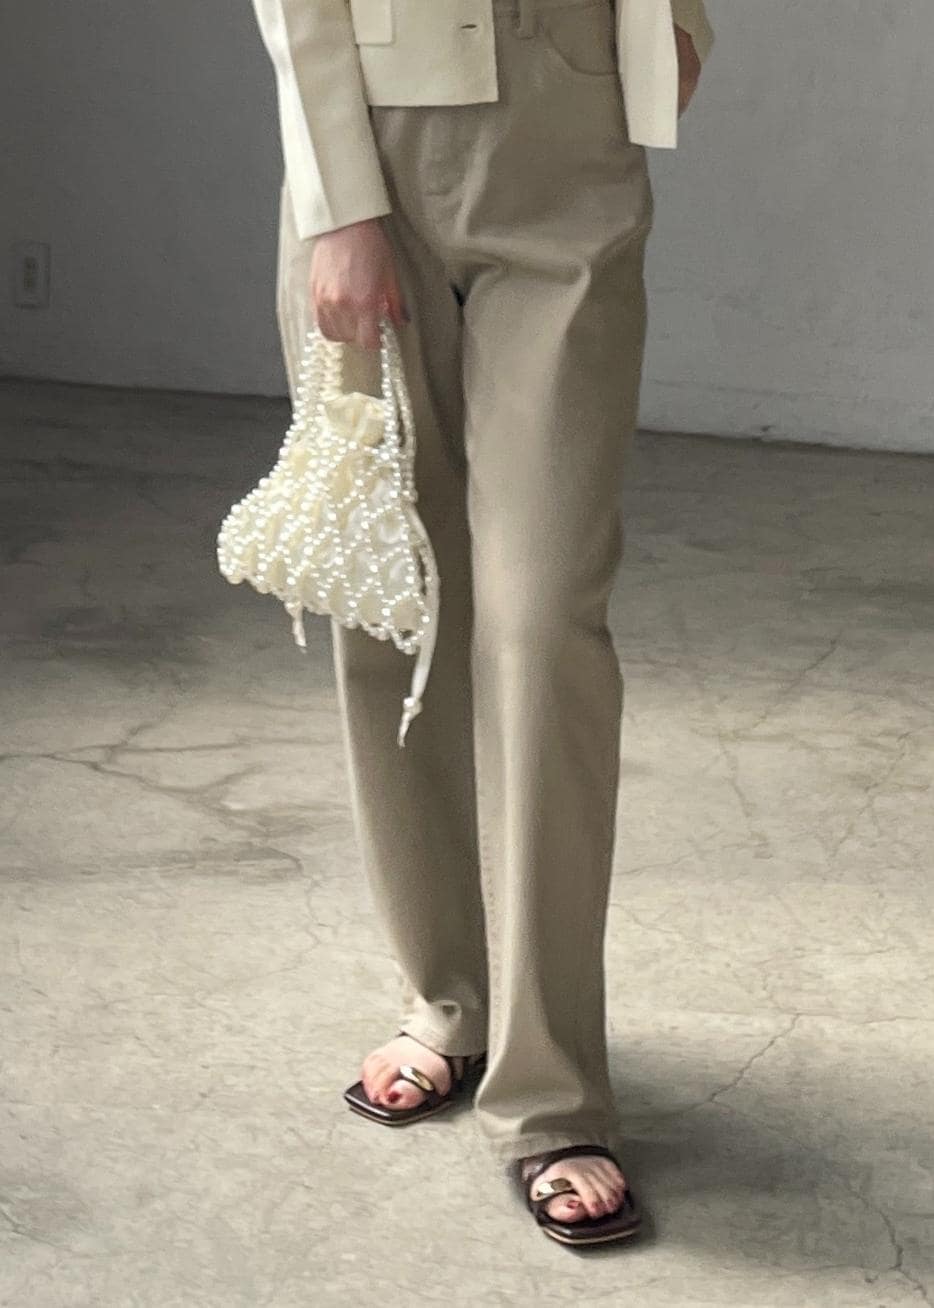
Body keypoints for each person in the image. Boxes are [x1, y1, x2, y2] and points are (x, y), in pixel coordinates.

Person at [250, 0, 713, 1247]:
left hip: (570, 135)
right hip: (375, 147)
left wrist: (678, 29)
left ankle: (553, 1091)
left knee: (544, 621)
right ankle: (446, 1001)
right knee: (392, 606)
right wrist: (339, 208)